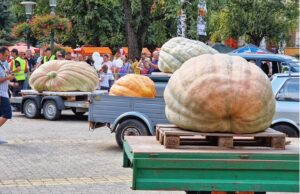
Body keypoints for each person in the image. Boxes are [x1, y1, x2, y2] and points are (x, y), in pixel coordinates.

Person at [0, 47, 14, 144]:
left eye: (8, 55)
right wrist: (7, 77)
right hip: (1, 94)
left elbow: (4, 76)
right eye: (6, 55)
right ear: (0, 54)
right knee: (7, 114)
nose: (7, 57)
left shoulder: (2, 64)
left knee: (1, 115)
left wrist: (10, 76)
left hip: (4, 92)